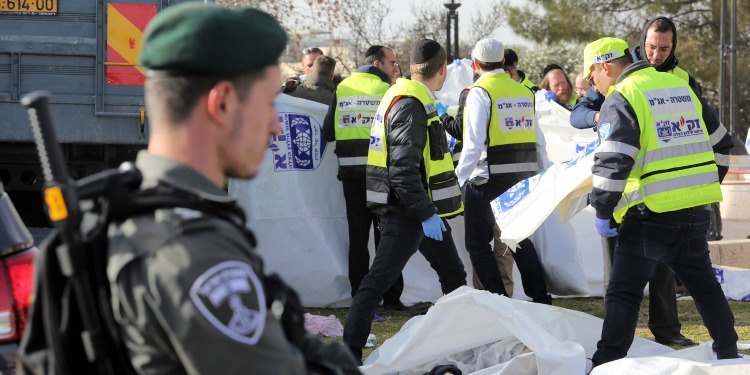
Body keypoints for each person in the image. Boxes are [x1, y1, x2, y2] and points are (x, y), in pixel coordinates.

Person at [106, 4, 359, 373]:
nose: (275, 126)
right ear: (222, 103)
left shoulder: (113, 218)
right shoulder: (197, 252)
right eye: (267, 105)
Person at [571, 16, 732, 347]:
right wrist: (700, 186)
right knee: (705, 288)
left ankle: (606, 362)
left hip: (650, 215)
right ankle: (728, 351)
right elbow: (723, 145)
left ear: (604, 67)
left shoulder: (622, 95)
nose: (592, 86)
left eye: (591, 78)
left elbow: (614, 160)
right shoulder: (681, 86)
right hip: (694, 212)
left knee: (623, 293)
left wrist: (602, 211)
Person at [344, 39, 468, 363]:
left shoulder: (406, 95)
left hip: (419, 210)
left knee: (454, 275)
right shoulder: (410, 104)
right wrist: (427, 214)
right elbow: (402, 172)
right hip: (408, 212)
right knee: (375, 285)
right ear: (442, 70)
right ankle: (348, 353)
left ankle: (459, 342)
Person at [456, 38, 551, 304]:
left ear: (475, 64)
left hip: (487, 181)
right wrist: (544, 173)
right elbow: (538, 140)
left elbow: (473, 145)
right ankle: (540, 297)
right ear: (503, 63)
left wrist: (457, 181)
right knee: (518, 239)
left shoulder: (479, 92)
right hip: (520, 179)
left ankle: (498, 298)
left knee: (477, 245)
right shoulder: (524, 92)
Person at [323, 45, 405, 310]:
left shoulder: (343, 87)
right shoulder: (387, 91)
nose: (395, 67)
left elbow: (328, 133)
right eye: (392, 62)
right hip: (380, 174)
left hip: (350, 174)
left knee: (358, 237)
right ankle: (391, 298)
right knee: (387, 236)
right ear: (378, 64)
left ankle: (361, 297)